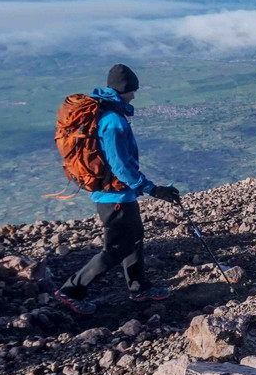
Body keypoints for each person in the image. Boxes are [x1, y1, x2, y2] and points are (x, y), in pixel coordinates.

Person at [56, 64, 180, 315]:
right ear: (123, 90)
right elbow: (120, 166)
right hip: (114, 196)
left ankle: (139, 287)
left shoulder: (109, 112)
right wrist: (151, 189)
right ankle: (71, 290)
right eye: (132, 90)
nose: (134, 95)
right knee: (115, 248)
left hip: (120, 193)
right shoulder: (112, 121)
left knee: (134, 239)